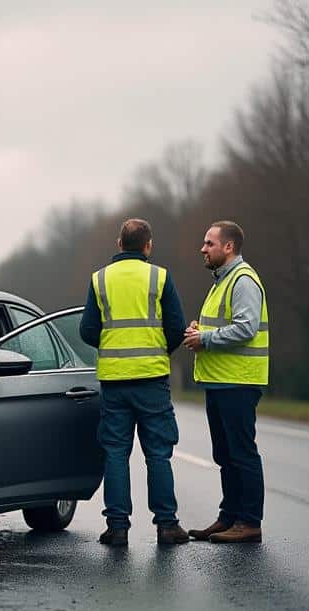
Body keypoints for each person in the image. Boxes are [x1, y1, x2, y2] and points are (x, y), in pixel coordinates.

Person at [79, 218, 188, 547]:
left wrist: (113, 348)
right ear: (148, 245)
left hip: (114, 382)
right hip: (152, 379)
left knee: (115, 453)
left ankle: (117, 528)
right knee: (158, 454)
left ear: (118, 243)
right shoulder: (160, 277)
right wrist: (157, 352)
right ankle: (167, 526)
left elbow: (86, 330)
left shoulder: (100, 280)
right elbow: (176, 326)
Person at [182, 221, 268, 543]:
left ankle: (249, 523)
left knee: (242, 452)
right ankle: (229, 517)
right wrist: (199, 330)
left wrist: (205, 337)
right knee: (225, 454)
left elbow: (246, 328)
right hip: (220, 381)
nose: (203, 249)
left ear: (228, 247)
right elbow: (223, 325)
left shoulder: (243, 280)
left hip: (238, 381)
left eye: (209, 243)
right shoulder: (222, 281)